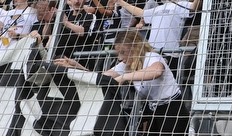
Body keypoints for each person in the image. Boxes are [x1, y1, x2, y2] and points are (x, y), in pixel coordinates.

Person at [56, 29, 186, 135]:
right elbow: (101, 78)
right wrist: (76, 66)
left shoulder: (152, 57)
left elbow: (157, 71)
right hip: (154, 109)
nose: (120, 58)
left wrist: (125, 77)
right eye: (118, 53)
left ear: (135, 47)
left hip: (172, 108)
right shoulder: (126, 64)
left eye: (123, 52)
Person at [114, 0, 203, 78]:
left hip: (170, 54)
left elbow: (194, 6)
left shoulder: (182, 4)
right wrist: (121, 2)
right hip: (152, 54)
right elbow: (141, 13)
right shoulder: (158, 8)